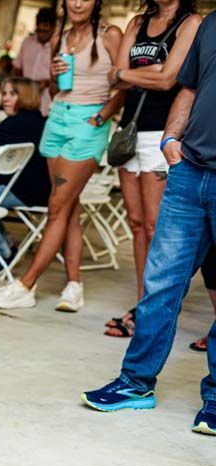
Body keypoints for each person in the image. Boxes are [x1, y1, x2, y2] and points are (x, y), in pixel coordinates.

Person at [82, 14, 216, 436]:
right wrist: (171, 138)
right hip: (190, 169)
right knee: (161, 281)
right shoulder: (211, 25)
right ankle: (136, 383)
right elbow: (189, 87)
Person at [0, 0, 124, 312]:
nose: (77, 2)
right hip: (57, 117)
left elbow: (125, 83)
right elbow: (51, 88)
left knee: (56, 208)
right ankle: (73, 286)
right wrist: (52, 75)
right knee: (69, 207)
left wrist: (102, 117)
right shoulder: (60, 36)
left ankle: (26, 285)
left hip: (88, 122)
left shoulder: (110, 34)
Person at [102, 0, 201, 338]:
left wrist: (129, 74)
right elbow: (114, 76)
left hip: (162, 133)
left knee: (156, 227)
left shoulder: (190, 23)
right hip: (129, 131)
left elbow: (169, 80)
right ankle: (143, 302)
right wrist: (139, 75)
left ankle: (154, 310)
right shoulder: (136, 23)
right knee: (137, 224)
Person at [0, 78, 51, 279]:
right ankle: (7, 245)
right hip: (39, 188)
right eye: (4, 93)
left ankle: (4, 251)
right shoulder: (36, 119)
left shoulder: (17, 123)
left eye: (12, 94)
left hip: (26, 190)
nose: (5, 98)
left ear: (24, 96)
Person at [13, 7, 57, 116]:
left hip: (47, 101)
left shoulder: (59, 46)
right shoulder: (27, 42)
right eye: (39, 29)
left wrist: (46, 82)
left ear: (53, 27)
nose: (41, 33)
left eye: (45, 30)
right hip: (26, 98)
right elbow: (17, 68)